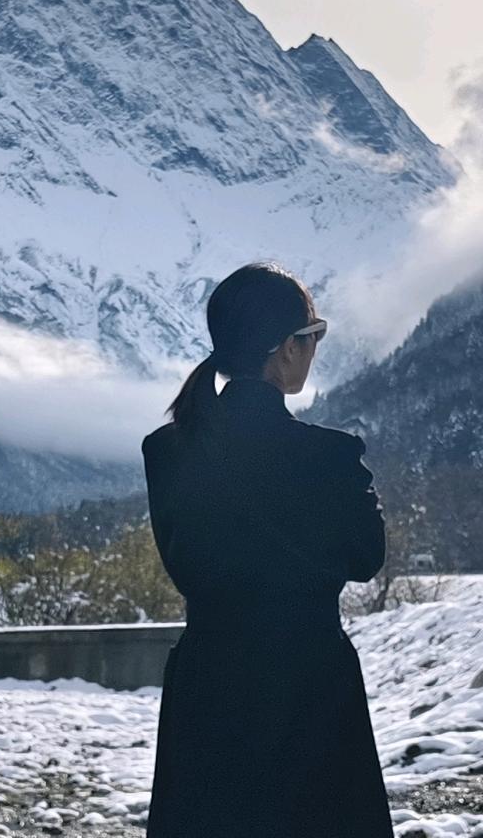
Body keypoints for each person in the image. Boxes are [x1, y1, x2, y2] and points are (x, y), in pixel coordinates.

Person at [140, 261, 394, 838]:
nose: (314, 349)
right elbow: (365, 559)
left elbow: (185, 563)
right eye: (314, 336)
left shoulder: (166, 451)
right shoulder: (330, 456)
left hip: (210, 680)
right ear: (285, 348)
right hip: (310, 682)